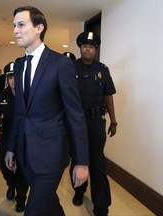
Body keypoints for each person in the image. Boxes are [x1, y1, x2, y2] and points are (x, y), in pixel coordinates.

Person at [5, 6, 89, 216]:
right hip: (25, 154)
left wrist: (81, 161)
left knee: (33, 211)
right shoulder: (20, 64)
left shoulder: (60, 64)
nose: (15, 30)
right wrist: (12, 147)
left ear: (39, 28)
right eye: (14, 25)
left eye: (21, 25)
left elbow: (75, 115)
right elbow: (20, 111)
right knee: (49, 206)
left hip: (51, 154)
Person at [69, 31, 117, 216]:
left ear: (95, 50)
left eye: (91, 47)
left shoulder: (103, 70)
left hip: (96, 123)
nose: (87, 49)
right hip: (75, 123)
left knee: (98, 163)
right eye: (84, 46)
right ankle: (79, 192)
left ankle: (101, 206)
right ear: (80, 48)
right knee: (77, 160)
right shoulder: (71, 67)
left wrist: (113, 121)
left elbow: (108, 96)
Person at [0, 62, 29, 213]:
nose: (14, 80)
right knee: (4, 166)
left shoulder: (27, 96)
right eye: (11, 77)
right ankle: (11, 185)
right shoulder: (2, 95)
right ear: (7, 78)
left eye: (16, 77)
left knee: (22, 169)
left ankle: (21, 199)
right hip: (6, 136)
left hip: (23, 138)